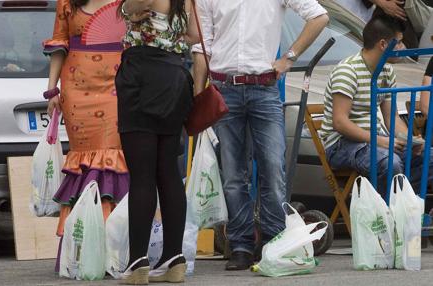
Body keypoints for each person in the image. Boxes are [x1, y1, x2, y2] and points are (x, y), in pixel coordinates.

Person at [193, 0, 329, 271]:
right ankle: (241, 245)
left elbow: (319, 17)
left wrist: (289, 57)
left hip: (264, 87)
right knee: (233, 175)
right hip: (224, 86)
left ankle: (273, 240)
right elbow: (202, 45)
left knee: (272, 168)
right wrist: (198, 96)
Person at [115, 0, 199, 284]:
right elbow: (195, 35)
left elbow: (134, 7)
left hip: (142, 75)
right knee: (168, 171)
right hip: (175, 75)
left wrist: (129, 11)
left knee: (142, 175)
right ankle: (173, 258)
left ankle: (138, 260)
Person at [42, 0, 129, 272]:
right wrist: (52, 89)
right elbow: (59, 43)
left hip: (119, 83)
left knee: (113, 158)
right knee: (83, 164)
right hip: (77, 87)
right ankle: (81, 253)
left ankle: (115, 251)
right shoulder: (67, 3)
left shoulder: (129, 3)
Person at [319, 14, 433, 198]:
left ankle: (399, 204)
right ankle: (386, 213)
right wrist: (379, 140)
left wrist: (408, 140)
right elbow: (339, 122)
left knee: (428, 157)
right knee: (390, 163)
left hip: (375, 140)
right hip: (341, 144)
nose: (402, 47)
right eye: (398, 42)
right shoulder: (347, 71)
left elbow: (391, 117)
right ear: (382, 44)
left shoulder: (386, 70)